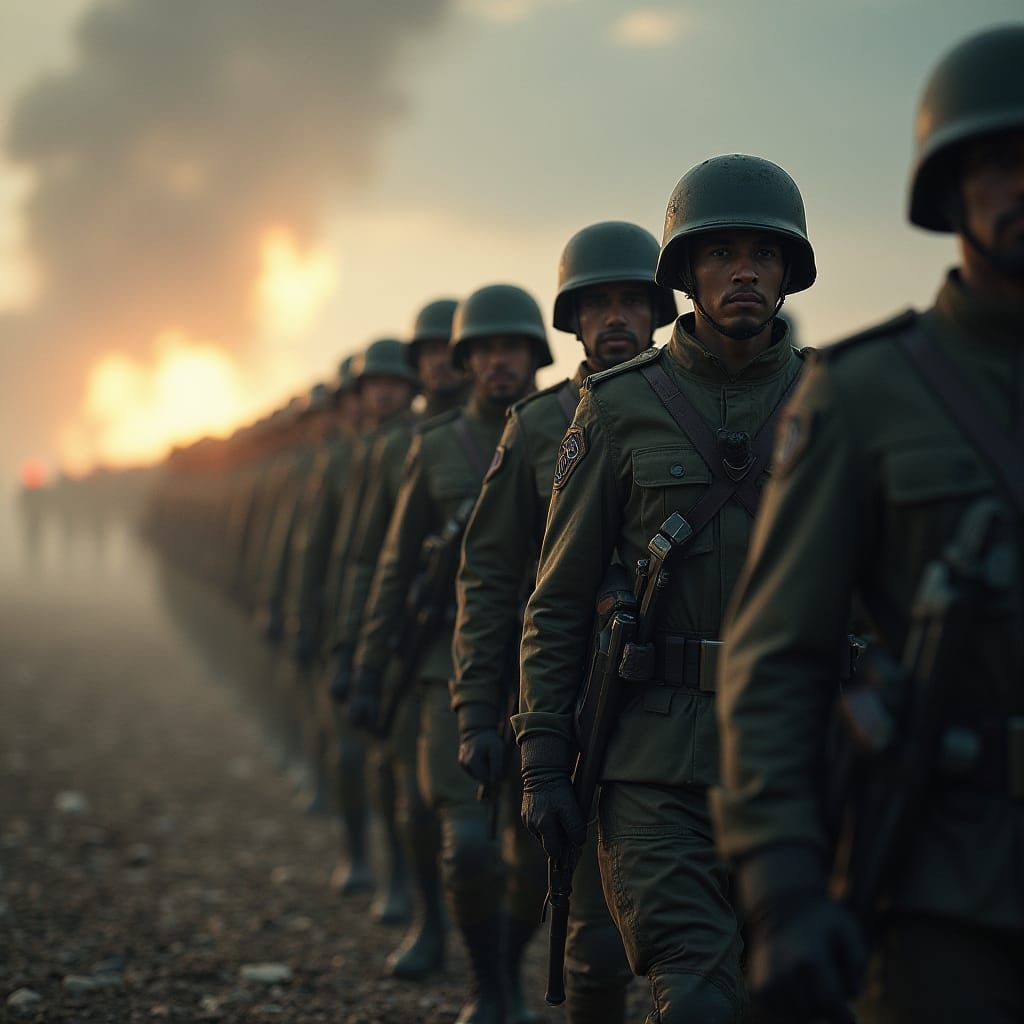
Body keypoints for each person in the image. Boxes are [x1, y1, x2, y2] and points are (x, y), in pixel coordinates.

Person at [711, 25, 1024, 1024]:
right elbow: (778, 655)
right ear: (949, 191)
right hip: (944, 875)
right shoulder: (866, 392)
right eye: (1002, 161)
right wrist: (783, 881)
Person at [516, 155, 816, 1023]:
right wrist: (543, 754)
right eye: (719, 252)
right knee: (694, 993)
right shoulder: (617, 408)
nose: (744, 271)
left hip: (797, 750)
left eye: (765, 252)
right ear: (684, 274)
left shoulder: (839, 402)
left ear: (790, 271)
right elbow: (559, 595)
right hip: (655, 758)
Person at [452, 221, 676, 1023]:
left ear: (656, 312)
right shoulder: (539, 426)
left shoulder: (687, 406)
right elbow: (490, 580)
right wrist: (481, 710)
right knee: (590, 933)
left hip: (680, 700)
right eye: (597, 304)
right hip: (569, 700)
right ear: (573, 322)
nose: (615, 318)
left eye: (630, 302)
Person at [350, 284, 548, 1024]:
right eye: (486, 349)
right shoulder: (433, 450)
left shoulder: (569, 429)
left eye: (515, 348)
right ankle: (485, 983)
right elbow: (392, 567)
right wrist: (366, 663)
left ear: (536, 354)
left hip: (539, 672)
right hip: (446, 669)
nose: (501, 362)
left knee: (533, 859)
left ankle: (506, 962)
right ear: (466, 362)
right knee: (465, 841)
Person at [333, 298, 465, 978]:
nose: (440, 360)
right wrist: (357, 652)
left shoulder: (526, 427)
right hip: (419, 645)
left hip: (509, 646)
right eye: (428, 352)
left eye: (451, 346)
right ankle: (428, 918)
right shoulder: (396, 450)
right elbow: (366, 560)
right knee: (416, 795)